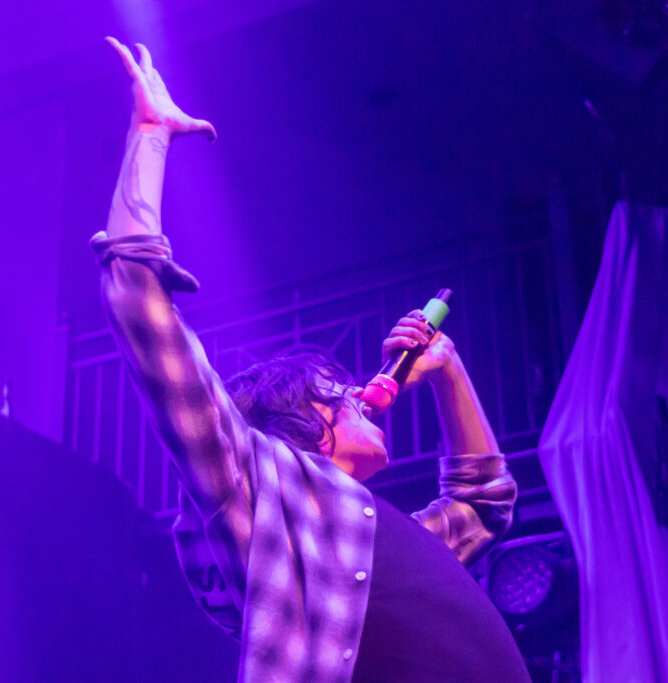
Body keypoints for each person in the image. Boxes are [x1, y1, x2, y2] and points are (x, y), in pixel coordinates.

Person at [95, 38, 531, 682]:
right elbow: (140, 306)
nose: (356, 395)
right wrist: (151, 135)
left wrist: (448, 368)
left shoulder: (356, 546)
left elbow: (484, 505)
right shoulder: (261, 493)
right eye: (333, 389)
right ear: (288, 425)